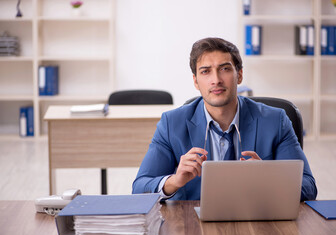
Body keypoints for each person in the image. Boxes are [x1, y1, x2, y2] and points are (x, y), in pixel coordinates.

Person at [132, 37, 317, 201]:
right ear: (196, 81)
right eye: (206, 71)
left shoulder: (276, 121)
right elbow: (139, 188)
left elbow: (308, 186)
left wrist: (267, 179)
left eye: (225, 69)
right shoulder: (171, 124)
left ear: (240, 75)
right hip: (194, 226)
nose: (216, 80)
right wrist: (174, 181)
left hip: (259, 221)